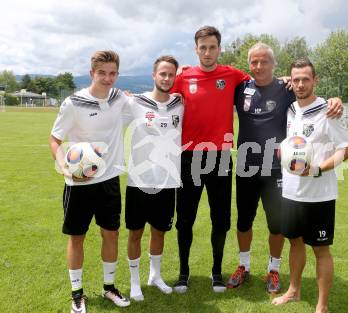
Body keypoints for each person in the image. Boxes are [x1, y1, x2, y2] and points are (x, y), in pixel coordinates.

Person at [227, 43, 343, 293]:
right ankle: (243, 266)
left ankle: (274, 270)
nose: (259, 67)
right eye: (254, 62)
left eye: (264, 62)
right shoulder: (240, 88)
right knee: (244, 221)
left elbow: (312, 96)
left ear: (273, 64)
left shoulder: (287, 88)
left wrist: (335, 100)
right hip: (246, 168)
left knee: (276, 225)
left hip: (278, 171)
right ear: (249, 65)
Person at [170, 25, 251, 293]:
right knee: (185, 219)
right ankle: (183, 273)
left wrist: (286, 79)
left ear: (219, 48)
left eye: (212, 47)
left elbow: (260, 83)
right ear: (196, 49)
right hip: (189, 157)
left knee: (221, 220)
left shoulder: (232, 74)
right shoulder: (183, 77)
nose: (207, 52)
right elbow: (161, 97)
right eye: (202, 47)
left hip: (220, 157)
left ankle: (216, 272)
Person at [49, 50, 130, 313]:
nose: (108, 79)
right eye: (102, 73)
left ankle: (109, 287)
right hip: (79, 184)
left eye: (112, 73)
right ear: (91, 73)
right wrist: (63, 166)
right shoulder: (74, 103)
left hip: (109, 181)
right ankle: (77, 294)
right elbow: (55, 139)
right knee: (77, 237)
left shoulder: (119, 98)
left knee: (111, 233)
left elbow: (149, 100)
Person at [271, 59, 348, 313]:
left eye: (306, 79)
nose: (301, 84)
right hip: (291, 192)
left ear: (316, 80)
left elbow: (344, 151)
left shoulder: (329, 110)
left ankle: (322, 306)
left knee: (320, 249)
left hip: (319, 195)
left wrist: (316, 169)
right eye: (296, 79)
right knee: (294, 242)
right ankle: (293, 291)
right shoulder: (292, 108)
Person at [124, 55, 183, 300]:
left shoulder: (180, 103)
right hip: (139, 181)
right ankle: (135, 281)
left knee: (160, 232)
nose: (167, 78)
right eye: (163, 74)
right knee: (135, 233)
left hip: (168, 181)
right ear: (153, 75)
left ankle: (155, 276)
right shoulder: (134, 103)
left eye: (171, 74)